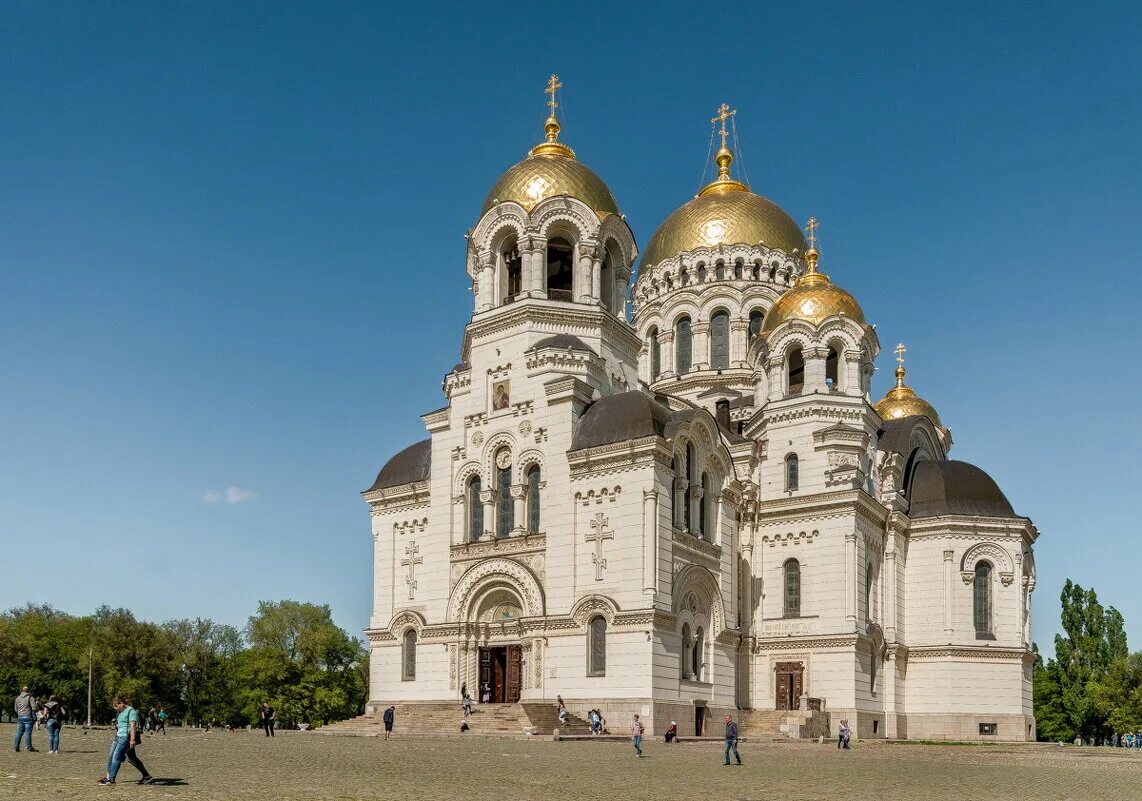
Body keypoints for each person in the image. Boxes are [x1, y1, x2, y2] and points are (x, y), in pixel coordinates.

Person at [99, 696, 154, 785]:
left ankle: (111, 780)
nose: (115, 708)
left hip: (125, 737)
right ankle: (147, 776)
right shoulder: (120, 712)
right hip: (118, 736)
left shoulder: (131, 711)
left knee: (116, 756)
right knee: (129, 757)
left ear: (122, 703)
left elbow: (133, 726)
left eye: (116, 706)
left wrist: (132, 740)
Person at [13, 686, 38, 752]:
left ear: (22, 690)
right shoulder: (30, 697)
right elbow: (34, 708)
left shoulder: (18, 698)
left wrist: (20, 713)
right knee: (28, 733)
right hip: (28, 717)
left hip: (20, 717)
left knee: (19, 732)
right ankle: (29, 747)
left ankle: (16, 746)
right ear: (29, 691)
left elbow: (16, 709)